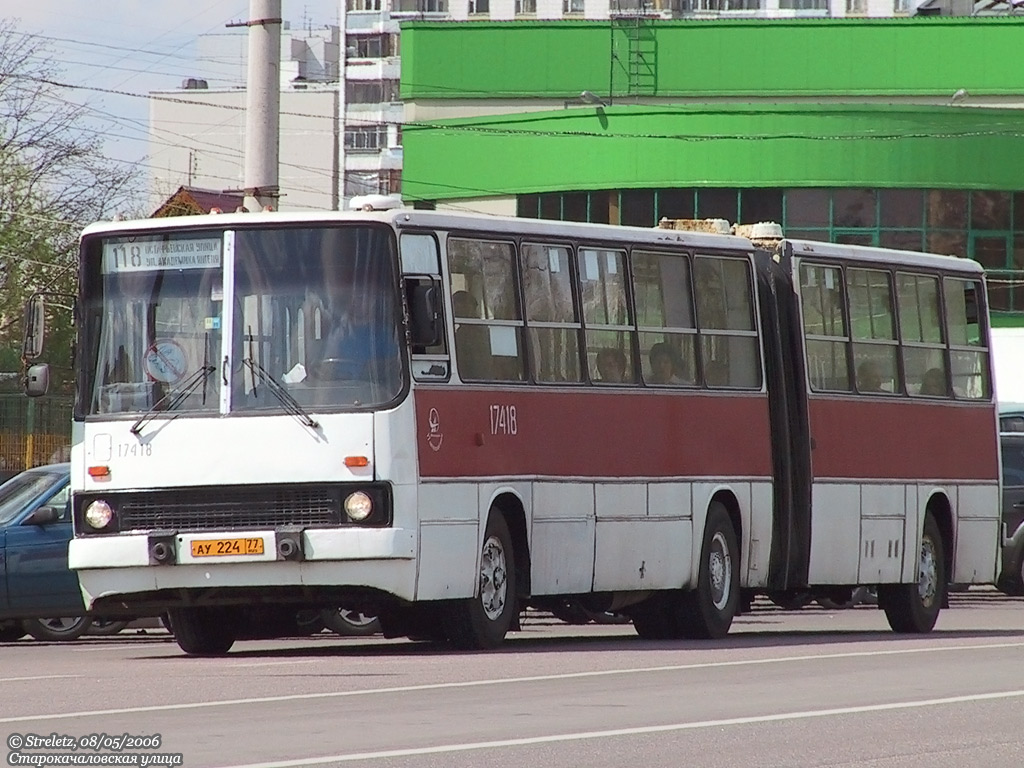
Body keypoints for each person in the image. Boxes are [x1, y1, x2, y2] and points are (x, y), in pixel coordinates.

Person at [452, 290, 492, 380]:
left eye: (457, 308)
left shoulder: (477, 332)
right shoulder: (462, 331)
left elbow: (477, 364)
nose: (455, 313)